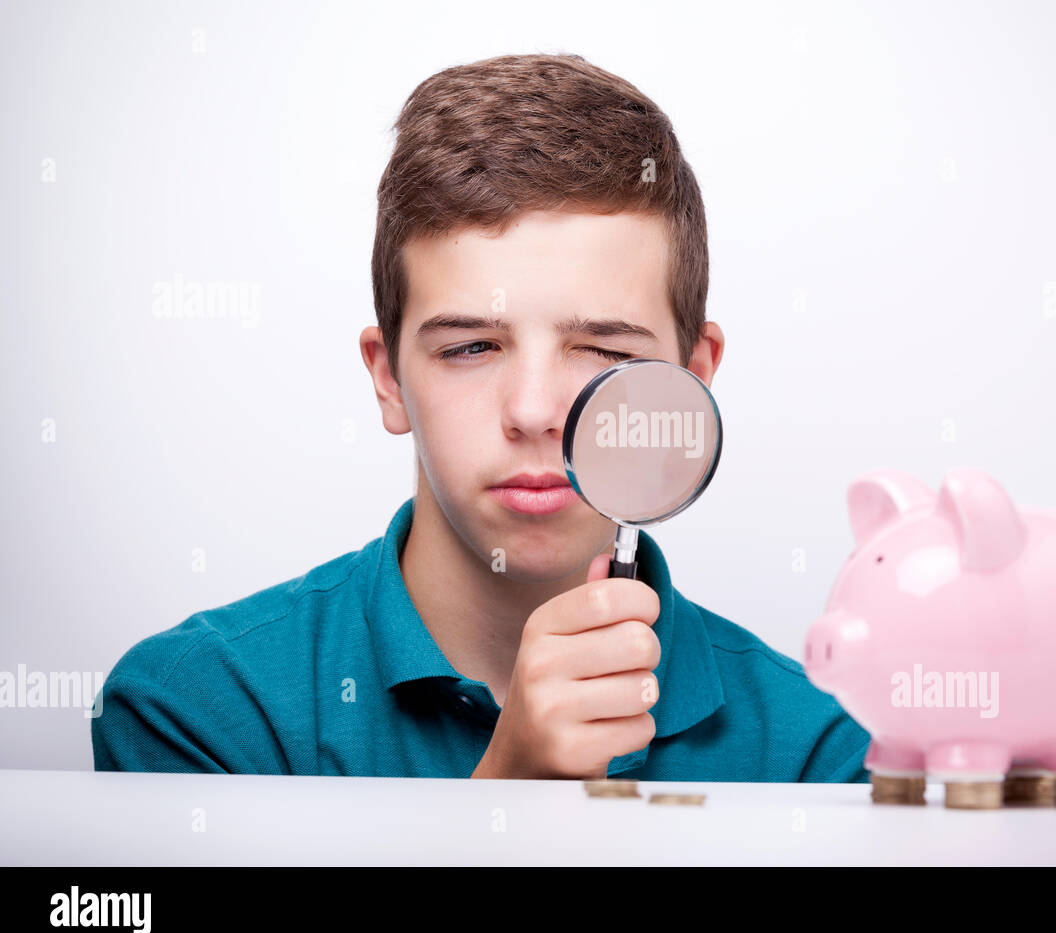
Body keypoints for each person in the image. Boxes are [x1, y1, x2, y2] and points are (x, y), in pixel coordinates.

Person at [92, 53, 872, 782]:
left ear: (693, 383)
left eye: (602, 351)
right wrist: (507, 797)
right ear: (389, 379)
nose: (535, 413)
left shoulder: (822, 752)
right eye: (471, 347)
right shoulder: (196, 712)